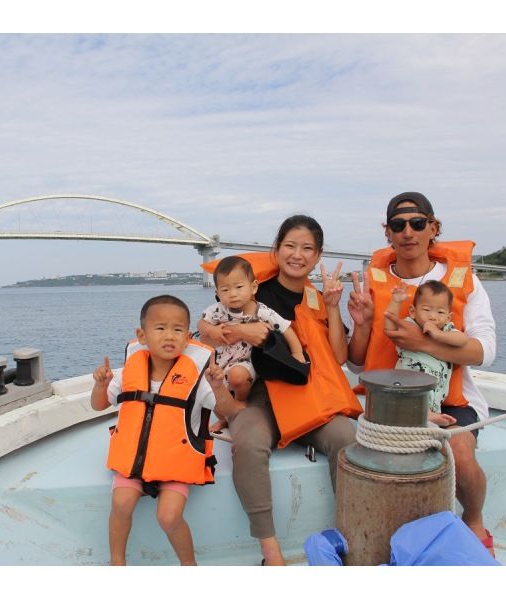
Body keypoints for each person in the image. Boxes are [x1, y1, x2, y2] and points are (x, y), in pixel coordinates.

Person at [198, 215, 362, 566]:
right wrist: (242, 332)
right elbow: (207, 332)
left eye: (307, 248)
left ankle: (350, 537)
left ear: (317, 256)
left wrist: (334, 308)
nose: (297, 255)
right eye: (289, 246)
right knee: (250, 443)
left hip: (306, 393)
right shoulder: (251, 291)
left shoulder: (319, 298)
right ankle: (271, 551)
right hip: (260, 392)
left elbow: (338, 357)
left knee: (345, 438)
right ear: (276, 250)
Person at [347, 191, 497, 555]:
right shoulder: (373, 284)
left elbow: (485, 352)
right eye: (398, 225)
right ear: (388, 232)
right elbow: (355, 362)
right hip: (390, 399)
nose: (408, 232)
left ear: (434, 227)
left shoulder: (465, 282)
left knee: (459, 451)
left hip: (450, 399)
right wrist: (362, 325)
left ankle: (474, 520)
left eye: (418, 223)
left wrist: (423, 342)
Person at [91, 294, 242, 565]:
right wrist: (101, 385)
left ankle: (188, 564)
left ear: (187, 337)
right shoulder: (129, 373)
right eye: (160, 328)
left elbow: (228, 410)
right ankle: (117, 563)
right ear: (142, 335)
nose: (169, 336)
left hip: (176, 464)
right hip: (133, 461)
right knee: (122, 503)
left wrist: (219, 386)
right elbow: (98, 405)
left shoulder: (198, 378)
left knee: (168, 516)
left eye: (177, 329)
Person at [201, 255, 306, 431]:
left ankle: (241, 400)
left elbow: (287, 329)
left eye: (239, 287)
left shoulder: (262, 312)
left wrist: (297, 353)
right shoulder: (217, 310)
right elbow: (202, 324)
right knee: (208, 392)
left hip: (246, 362)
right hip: (221, 362)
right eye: (225, 290)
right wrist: (212, 330)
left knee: (237, 377)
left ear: (253, 287)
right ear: (218, 294)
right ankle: (224, 418)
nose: (232, 294)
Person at [385, 279, 467, 426]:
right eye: (426, 310)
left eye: (440, 312)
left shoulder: (447, 331)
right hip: (407, 386)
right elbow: (389, 327)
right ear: (413, 312)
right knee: (409, 398)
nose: (433, 316)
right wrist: (396, 302)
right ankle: (426, 415)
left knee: (429, 405)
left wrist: (438, 334)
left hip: (435, 393)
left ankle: (429, 415)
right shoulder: (410, 325)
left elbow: (462, 340)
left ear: (448, 317)